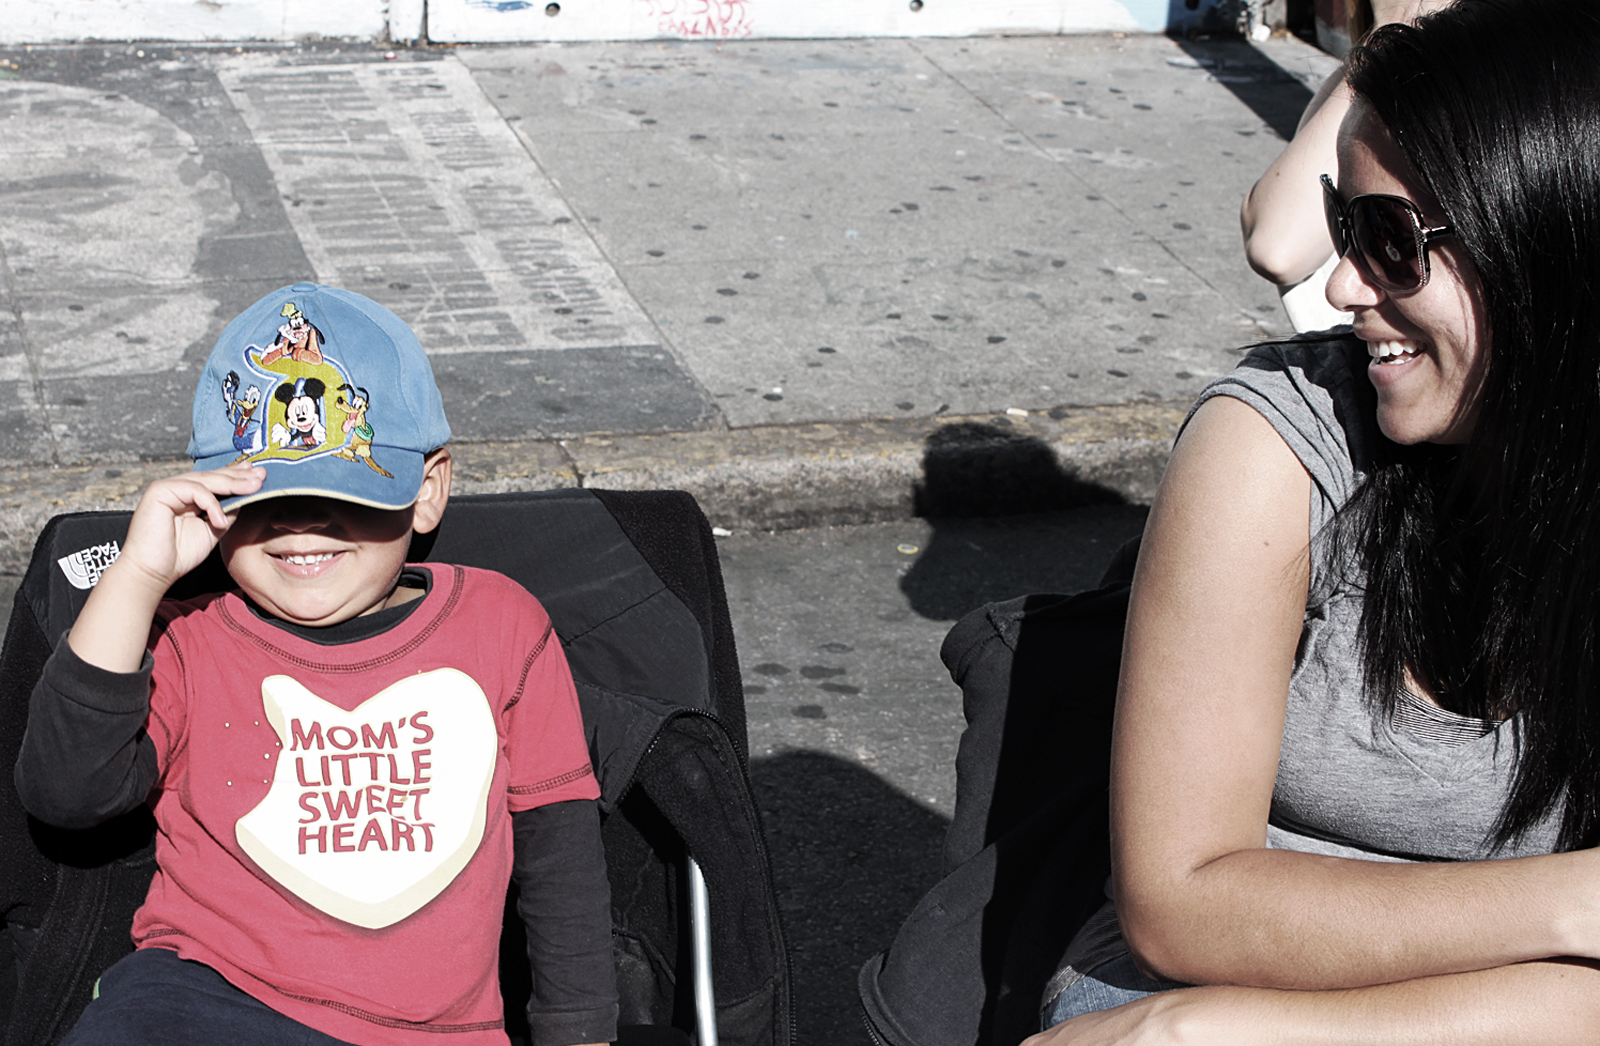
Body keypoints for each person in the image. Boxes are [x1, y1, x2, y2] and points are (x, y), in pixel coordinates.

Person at [1028, 1, 1600, 1042]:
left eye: (1391, 242)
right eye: (1347, 227)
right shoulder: (1278, 442)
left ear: (1544, 244)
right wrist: (1572, 903)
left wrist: (1220, 1036)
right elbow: (1179, 901)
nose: (1340, 284)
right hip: (1206, 979)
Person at [15, 283, 618, 1046]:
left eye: (348, 491)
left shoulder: (501, 626)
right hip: (196, 1002)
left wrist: (581, 1033)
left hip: (426, 1033)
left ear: (427, 492)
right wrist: (138, 577)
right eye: (263, 498)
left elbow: (560, 851)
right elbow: (65, 793)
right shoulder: (189, 637)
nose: (301, 524)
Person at [1239, 0, 1453, 331]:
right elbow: (1277, 248)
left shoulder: (1504, 79)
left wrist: (1399, 26)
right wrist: (1393, 33)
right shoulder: (1360, 73)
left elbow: (1277, 249)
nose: (1341, 290)